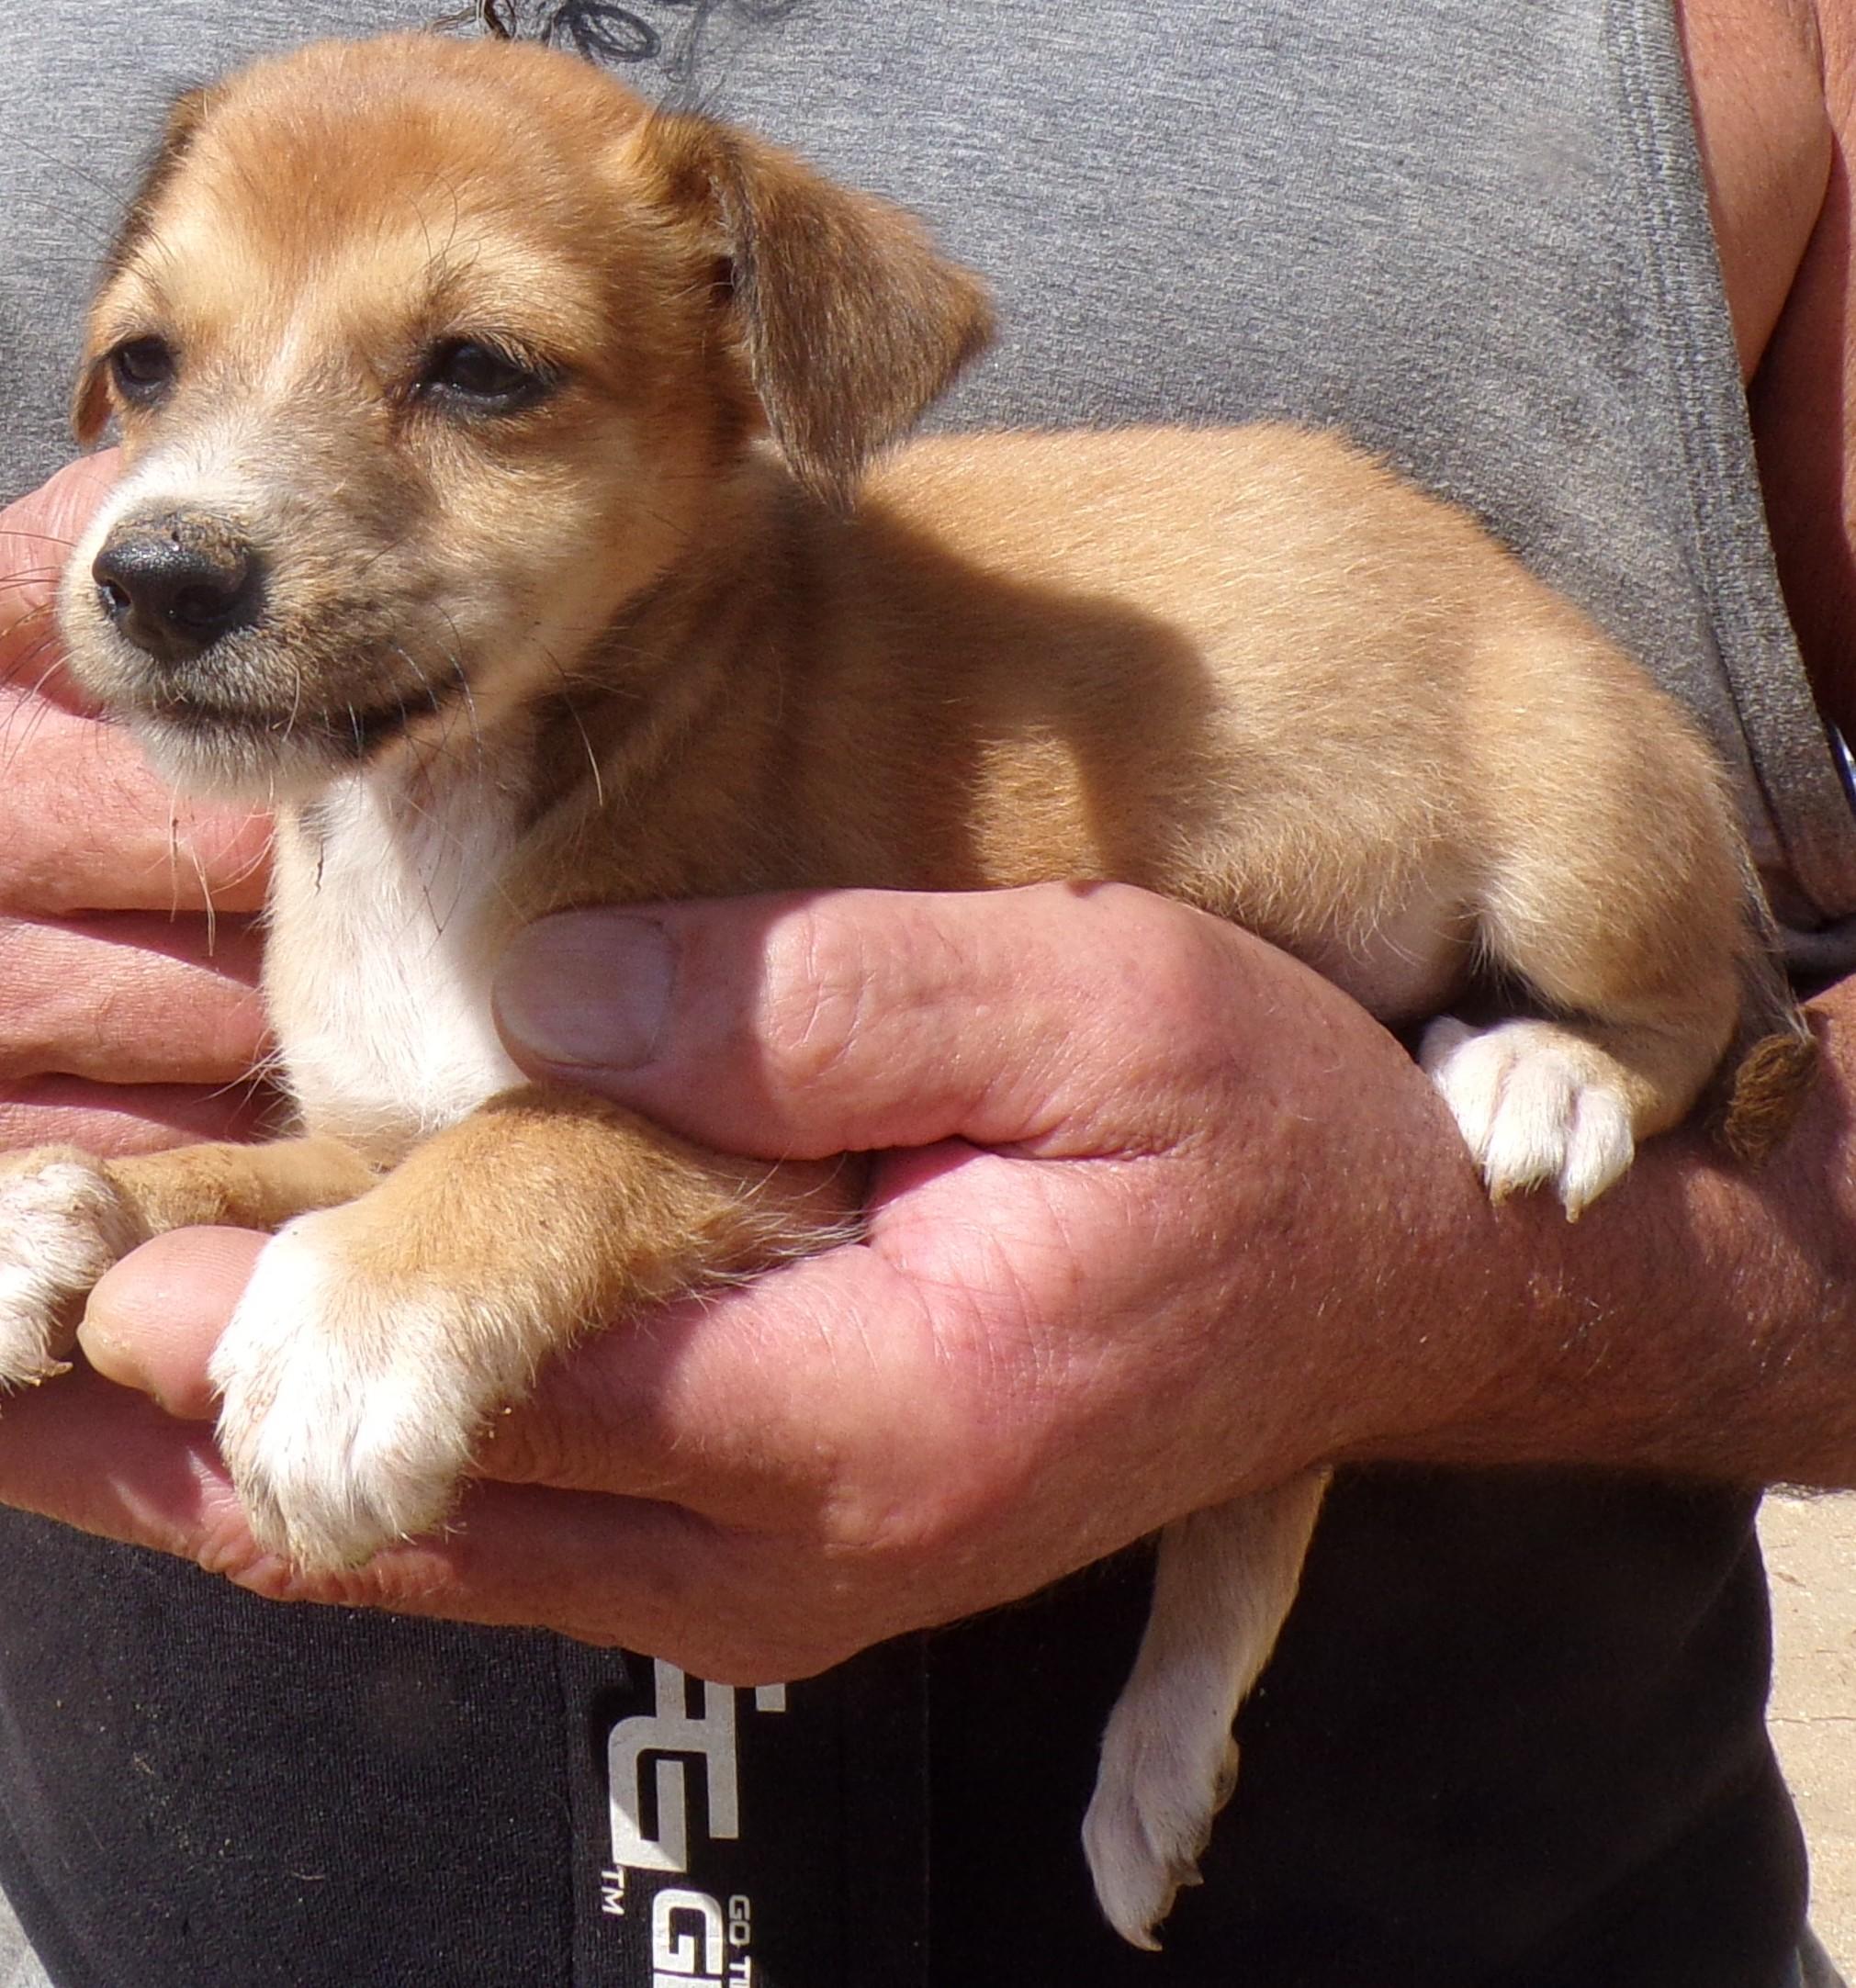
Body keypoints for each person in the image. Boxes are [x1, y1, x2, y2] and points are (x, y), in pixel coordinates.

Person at [0, 0, 1851, 1982]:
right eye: (149, 363)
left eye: (477, 371)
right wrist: (123, 1201)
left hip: (1462, 1905)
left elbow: (744, 1142)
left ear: (749, 379)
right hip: (190, 1914)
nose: (171, 532)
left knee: (1569, 810)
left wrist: (1467, 1280)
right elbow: (391, 1148)